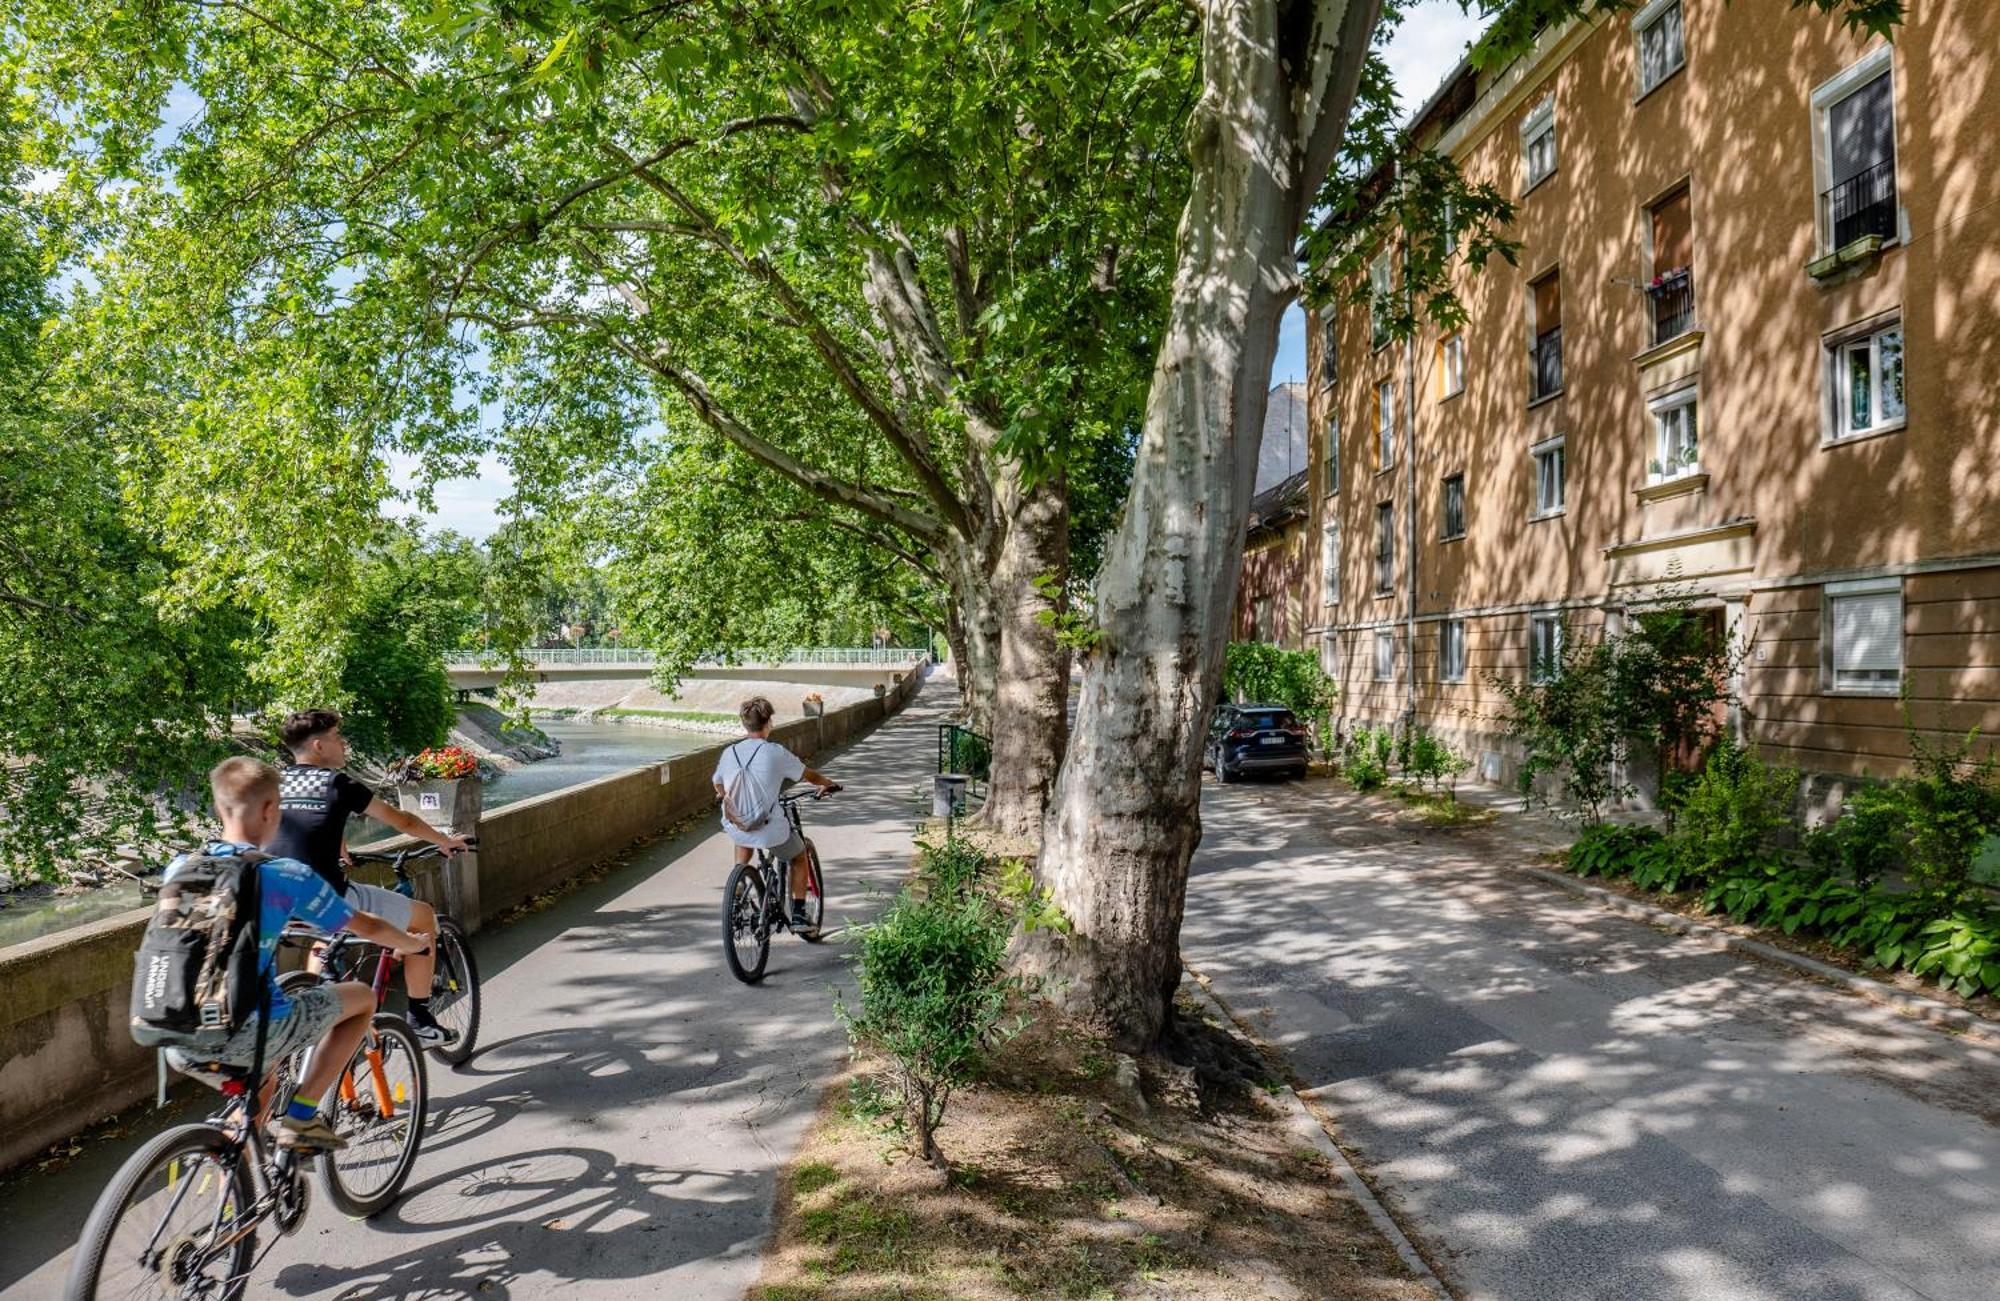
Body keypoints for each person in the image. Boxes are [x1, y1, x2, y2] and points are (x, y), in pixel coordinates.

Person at [164, 757, 431, 1151]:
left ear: (219, 809)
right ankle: (302, 1118)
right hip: (250, 1029)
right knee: (361, 999)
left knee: (259, 1091)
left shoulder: (180, 867)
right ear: (273, 810)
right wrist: (414, 944)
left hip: (176, 1033)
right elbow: (368, 927)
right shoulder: (285, 875)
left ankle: (238, 1197)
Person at [268, 709, 471, 1048]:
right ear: (318, 746)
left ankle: (314, 1006)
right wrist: (445, 842)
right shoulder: (338, 784)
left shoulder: (275, 782)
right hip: (325, 896)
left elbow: (298, 824)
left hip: (276, 900)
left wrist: (338, 842)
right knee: (422, 918)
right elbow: (402, 822)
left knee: (325, 937)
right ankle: (420, 1020)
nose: (343, 743)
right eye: (336, 737)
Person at [711, 696, 839, 926]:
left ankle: (738, 887)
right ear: (768, 722)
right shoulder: (775, 752)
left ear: (744, 723)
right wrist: (826, 783)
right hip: (769, 828)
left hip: (736, 824)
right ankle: (799, 915)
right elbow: (808, 774)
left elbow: (718, 784)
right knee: (799, 857)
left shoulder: (730, 752)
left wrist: (731, 797)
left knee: (744, 841)